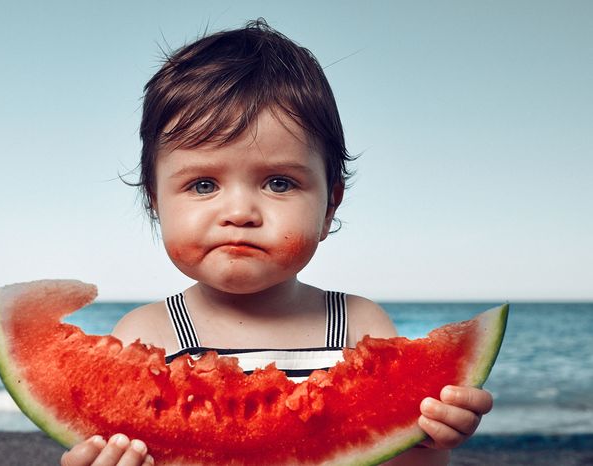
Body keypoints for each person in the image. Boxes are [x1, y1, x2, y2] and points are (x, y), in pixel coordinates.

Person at [61, 19, 493, 466]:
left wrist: (424, 439)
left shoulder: (360, 324)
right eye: (204, 184)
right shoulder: (145, 335)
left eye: (280, 183)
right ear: (155, 202)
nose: (240, 212)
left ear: (330, 206)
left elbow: (380, 450)